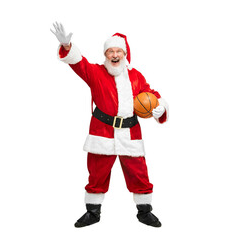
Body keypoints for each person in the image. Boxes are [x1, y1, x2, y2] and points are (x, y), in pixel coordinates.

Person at [51, 22, 169, 228]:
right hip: (102, 131)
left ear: (124, 54)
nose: (115, 55)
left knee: (139, 172)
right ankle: (93, 212)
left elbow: (152, 95)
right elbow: (79, 64)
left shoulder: (136, 76)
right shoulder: (96, 73)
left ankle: (144, 212)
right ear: (105, 54)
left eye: (118, 51)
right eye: (110, 51)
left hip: (130, 132)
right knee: (97, 172)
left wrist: (160, 107)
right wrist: (67, 46)